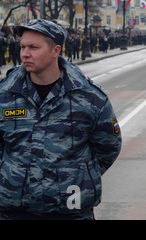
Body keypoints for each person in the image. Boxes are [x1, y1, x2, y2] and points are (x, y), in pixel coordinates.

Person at [0, 19, 122, 220]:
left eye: (33, 47)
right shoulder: (5, 94)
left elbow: (108, 147)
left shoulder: (89, 97)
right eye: (22, 47)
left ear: (55, 51)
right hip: (14, 210)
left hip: (69, 211)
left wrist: (79, 173)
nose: (24, 53)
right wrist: (10, 174)